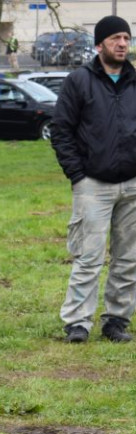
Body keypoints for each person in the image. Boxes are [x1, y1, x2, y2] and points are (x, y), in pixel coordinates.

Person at [52, 15, 136, 344]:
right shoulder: (78, 81)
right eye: (115, 38)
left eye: (126, 39)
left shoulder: (134, 82)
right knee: (88, 258)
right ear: (99, 44)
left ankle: (117, 320)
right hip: (92, 185)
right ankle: (77, 323)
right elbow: (61, 130)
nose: (122, 44)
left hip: (132, 185)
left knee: (128, 258)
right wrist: (77, 175)